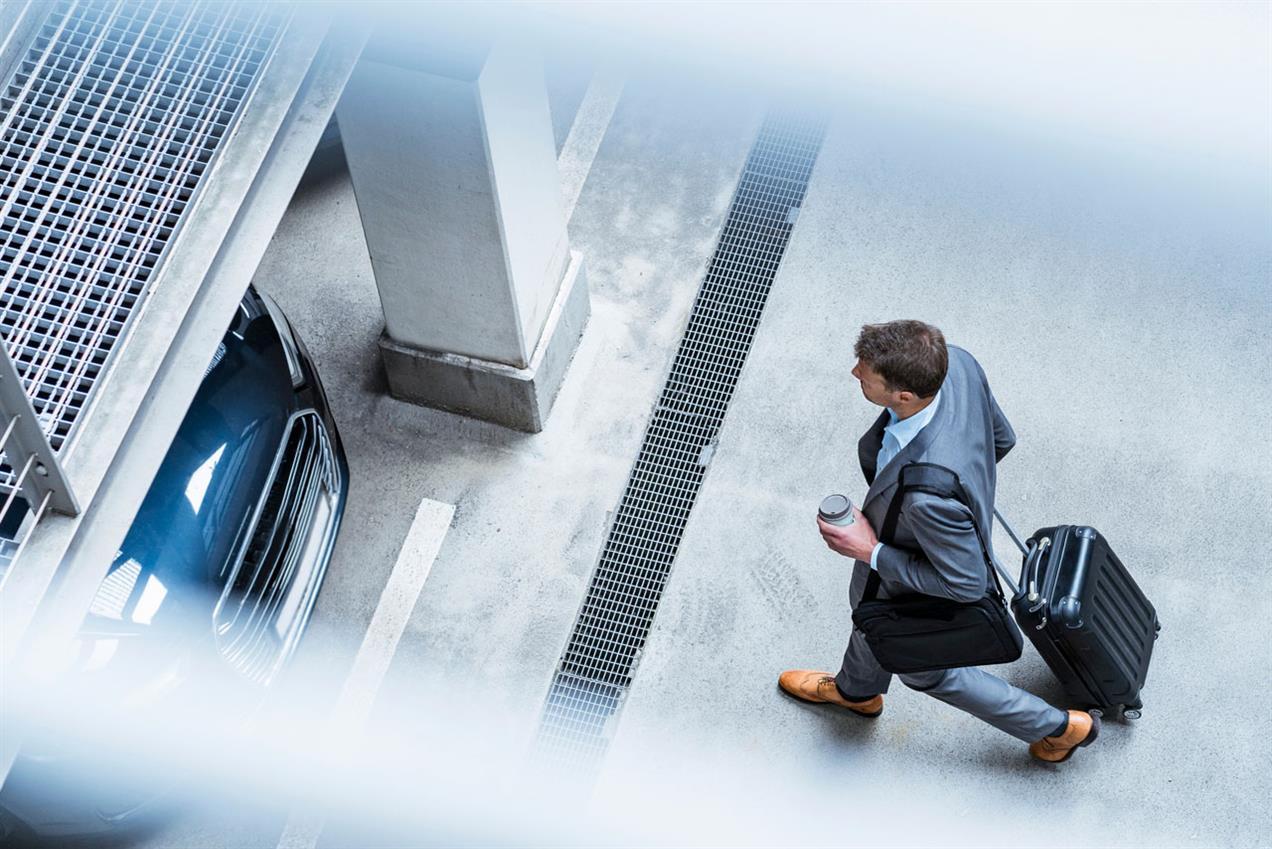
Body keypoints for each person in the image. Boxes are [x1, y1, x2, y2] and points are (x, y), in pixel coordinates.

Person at [778, 320, 1099, 763]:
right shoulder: (958, 364)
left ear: (903, 396)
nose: (855, 373)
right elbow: (1000, 438)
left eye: (865, 374)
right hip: (918, 545)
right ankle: (857, 693)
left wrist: (868, 549)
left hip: (915, 576)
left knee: (929, 672)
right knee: (872, 620)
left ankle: (1059, 728)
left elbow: (965, 584)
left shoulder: (929, 498)